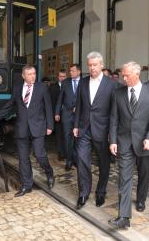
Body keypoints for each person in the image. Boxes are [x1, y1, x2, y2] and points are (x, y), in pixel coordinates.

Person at [0, 65, 55, 197]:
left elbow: (48, 107)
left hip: (38, 126)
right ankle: (27, 185)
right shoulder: (17, 88)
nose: (33, 76)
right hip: (22, 127)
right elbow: (9, 106)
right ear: (23, 76)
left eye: (34, 73)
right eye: (29, 74)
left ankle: (49, 172)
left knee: (39, 155)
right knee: (23, 159)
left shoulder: (42, 87)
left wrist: (50, 126)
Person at [108, 61, 149, 229]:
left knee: (144, 175)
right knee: (124, 178)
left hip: (145, 143)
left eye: (127, 75)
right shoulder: (118, 94)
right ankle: (124, 216)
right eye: (123, 75)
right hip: (124, 142)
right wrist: (113, 141)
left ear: (137, 74)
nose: (124, 78)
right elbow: (114, 119)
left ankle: (141, 199)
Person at [73, 52, 116, 209]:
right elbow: (79, 106)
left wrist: (112, 133)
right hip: (84, 129)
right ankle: (83, 192)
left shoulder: (111, 84)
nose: (92, 68)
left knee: (104, 163)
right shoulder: (83, 83)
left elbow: (114, 111)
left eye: (95, 65)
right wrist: (76, 125)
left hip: (103, 130)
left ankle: (101, 192)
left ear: (101, 65)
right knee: (82, 160)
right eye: (89, 65)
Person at [55, 64, 81, 171]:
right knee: (67, 138)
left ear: (79, 72)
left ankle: (77, 159)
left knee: (78, 138)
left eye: (73, 71)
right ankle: (69, 160)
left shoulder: (85, 82)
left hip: (79, 115)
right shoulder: (65, 82)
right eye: (70, 71)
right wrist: (57, 112)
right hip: (66, 114)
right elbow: (60, 98)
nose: (71, 72)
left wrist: (79, 108)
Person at [49, 69, 67, 161]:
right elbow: (51, 102)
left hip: (68, 116)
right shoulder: (52, 87)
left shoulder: (69, 86)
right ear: (58, 77)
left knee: (67, 135)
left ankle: (68, 153)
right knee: (59, 135)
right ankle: (61, 153)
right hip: (57, 116)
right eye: (61, 76)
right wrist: (54, 114)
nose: (62, 78)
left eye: (64, 76)